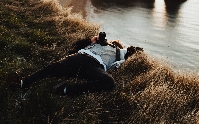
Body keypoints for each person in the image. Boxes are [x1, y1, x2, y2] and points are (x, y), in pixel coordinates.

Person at [9, 32, 143, 96]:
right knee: (54, 67)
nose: (114, 43)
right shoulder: (96, 43)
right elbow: (77, 45)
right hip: (81, 57)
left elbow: (134, 50)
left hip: (95, 65)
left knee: (109, 81)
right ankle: (23, 82)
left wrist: (127, 51)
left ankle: (66, 90)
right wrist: (94, 39)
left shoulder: (119, 52)